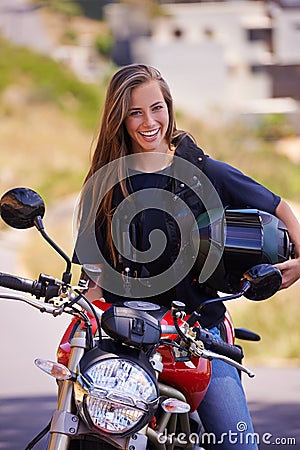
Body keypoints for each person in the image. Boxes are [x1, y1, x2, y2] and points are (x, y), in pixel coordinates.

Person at [73, 64, 300, 449]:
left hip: (197, 334)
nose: (150, 121)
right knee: (80, 419)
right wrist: (83, 314)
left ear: (169, 108)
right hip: (124, 334)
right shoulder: (107, 183)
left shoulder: (200, 169)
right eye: (135, 112)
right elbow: (94, 280)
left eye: (157, 108)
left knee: (238, 444)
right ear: (119, 118)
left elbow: (279, 207)